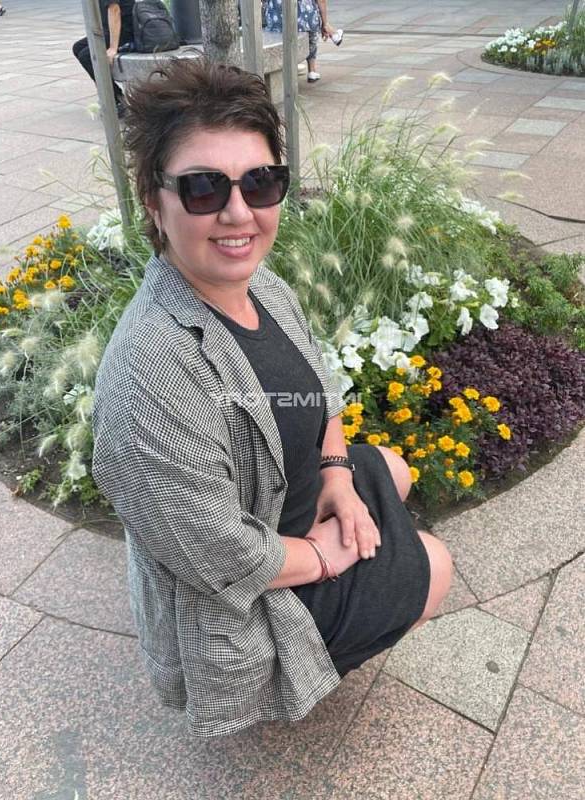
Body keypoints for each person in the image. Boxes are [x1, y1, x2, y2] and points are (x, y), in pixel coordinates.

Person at [91, 58, 453, 738]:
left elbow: (319, 387)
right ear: (154, 203)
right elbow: (220, 556)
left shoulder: (261, 286)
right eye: (203, 188)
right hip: (243, 590)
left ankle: (363, 582)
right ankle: (316, 648)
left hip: (289, 494)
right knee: (435, 565)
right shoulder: (150, 378)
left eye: (260, 182)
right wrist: (325, 555)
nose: (239, 213)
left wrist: (338, 478)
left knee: (392, 470)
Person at [72, 0, 133, 115]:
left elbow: (114, 10)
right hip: (110, 30)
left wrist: (113, 48)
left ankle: (116, 99)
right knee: (77, 48)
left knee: (86, 56)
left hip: (123, 31)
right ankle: (109, 92)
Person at [264, 0, 343, 83]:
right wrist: (325, 23)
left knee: (279, 38)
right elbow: (321, 1)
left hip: (276, 16)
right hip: (304, 16)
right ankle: (312, 71)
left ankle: (286, 67)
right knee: (311, 37)